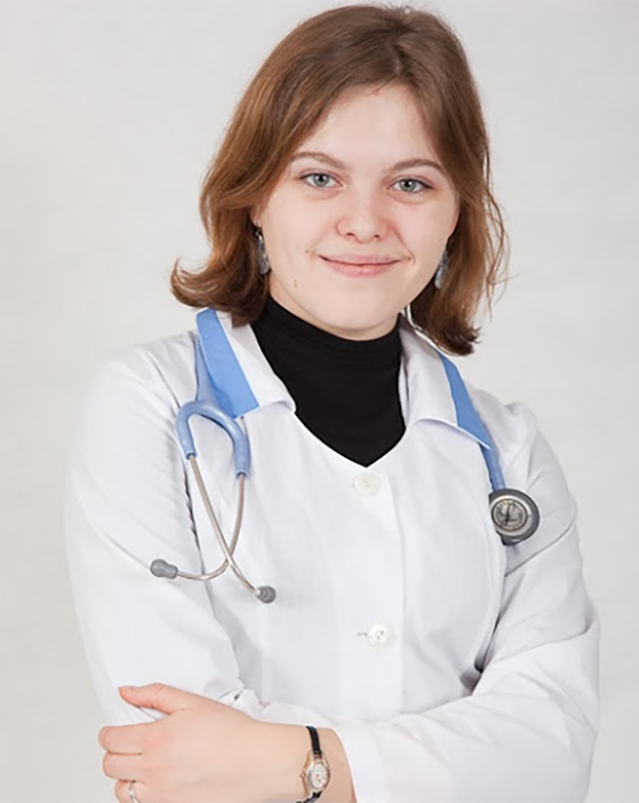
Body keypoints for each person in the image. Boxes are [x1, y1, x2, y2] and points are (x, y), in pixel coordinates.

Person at [64, 4, 599, 803]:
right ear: (255, 195)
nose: (363, 222)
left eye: (410, 183)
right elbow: (175, 756)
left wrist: (301, 764)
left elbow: (551, 755)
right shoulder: (147, 407)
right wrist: (451, 760)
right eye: (319, 177)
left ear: (454, 212)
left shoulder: (508, 452)